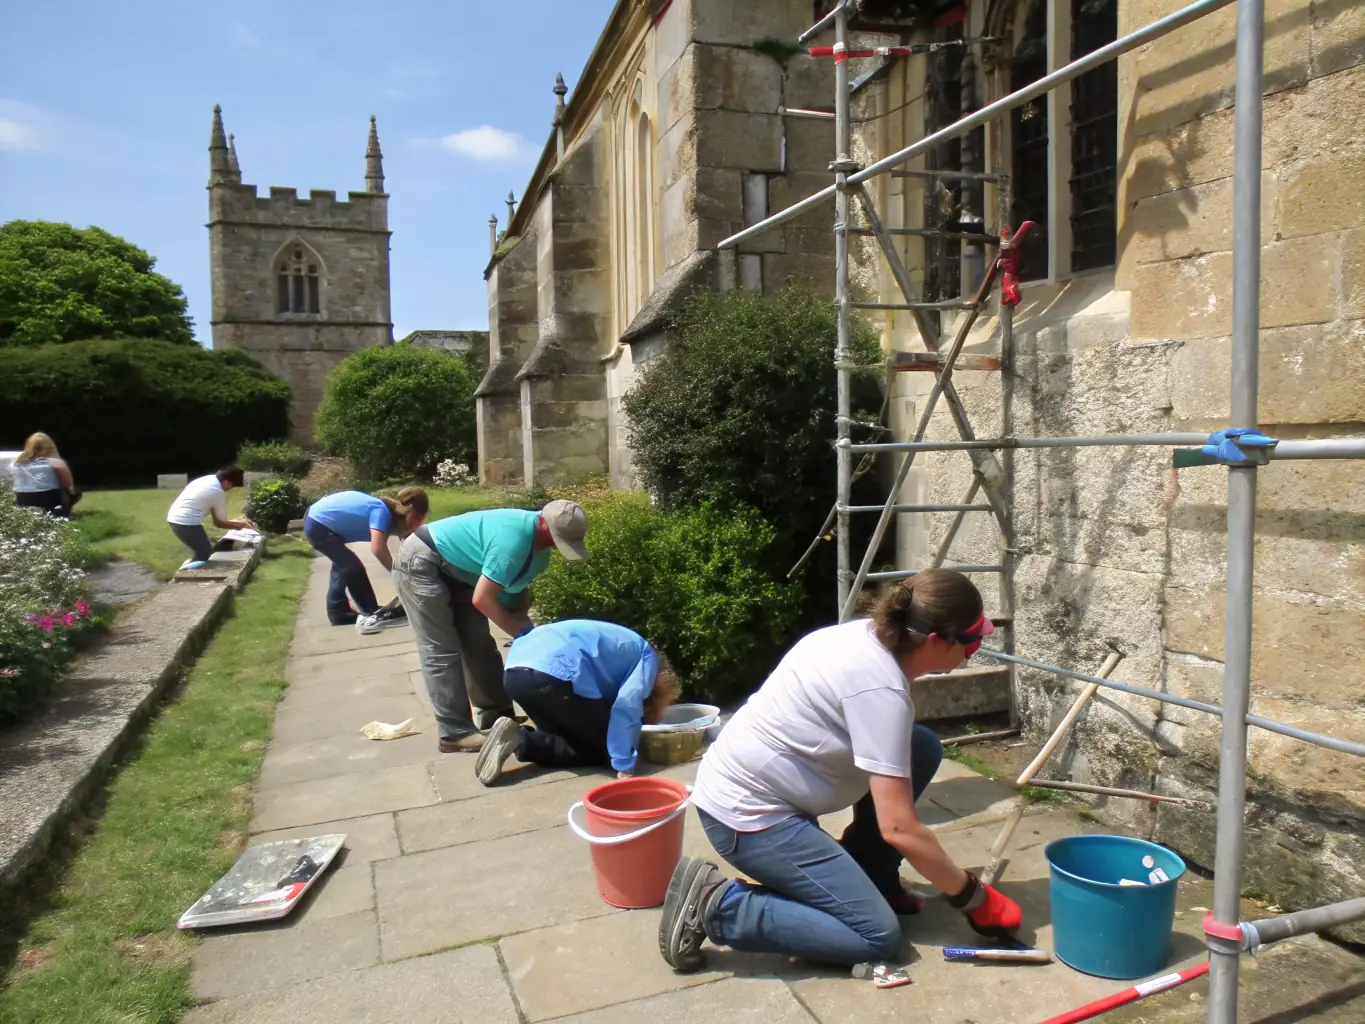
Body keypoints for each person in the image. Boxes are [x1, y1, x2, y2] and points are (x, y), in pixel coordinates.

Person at [657, 568, 1023, 973]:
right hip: (750, 821)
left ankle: (871, 874)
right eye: (972, 640)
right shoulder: (880, 690)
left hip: (749, 788)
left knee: (919, 747)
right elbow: (898, 828)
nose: (974, 651)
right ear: (936, 640)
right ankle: (718, 907)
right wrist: (974, 898)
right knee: (874, 936)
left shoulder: (863, 635)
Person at [392, 500, 589, 754]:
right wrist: (526, 637)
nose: (555, 544)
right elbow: (483, 599)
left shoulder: (538, 555)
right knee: (442, 650)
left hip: (459, 573)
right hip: (421, 562)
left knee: (479, 645)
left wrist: (535, 639)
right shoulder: (512, 540)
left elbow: (512, 603)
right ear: (543, 521)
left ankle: (498, 717)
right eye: (556, 537)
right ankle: (454, 732)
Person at [474, 619, 680, 785]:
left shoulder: (623, 645)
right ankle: (523, 741)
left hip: (515, 675)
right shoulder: (646, 658)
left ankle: (521, 739)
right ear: (661, 680)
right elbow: (626, 707)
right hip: (552, 676)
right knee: (604, 749)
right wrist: (624, 765)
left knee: (563, 738)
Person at [302, 487, 430, 630]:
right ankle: (371, 612)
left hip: (317, 519)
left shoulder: (386, 511)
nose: (419, 525)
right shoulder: (382, 512)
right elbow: (378, 549)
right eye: (419, 520)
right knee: (352, 567)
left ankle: (338, 612)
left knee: (343, 565)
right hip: (318, 523)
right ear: (411, 513)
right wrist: (398, 575)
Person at [166, 466, 254, 569]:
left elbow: (217, 519)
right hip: (186, 523)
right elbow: (219, 523)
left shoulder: (206, 480)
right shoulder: (217, 491)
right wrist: (242, 525)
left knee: (203, 551)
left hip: (175, 518)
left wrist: (238, 523)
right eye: (232, 486)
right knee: (205, 554)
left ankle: (188, 570)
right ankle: (184, 573)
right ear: (227, 482)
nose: (230, 489)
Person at [10, 433, 79, 517]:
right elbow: (68, 484)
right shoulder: (56, 463)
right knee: (69, 491)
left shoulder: (17, 463)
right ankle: (61, 513)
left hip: (23, 501)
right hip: (48, 501)